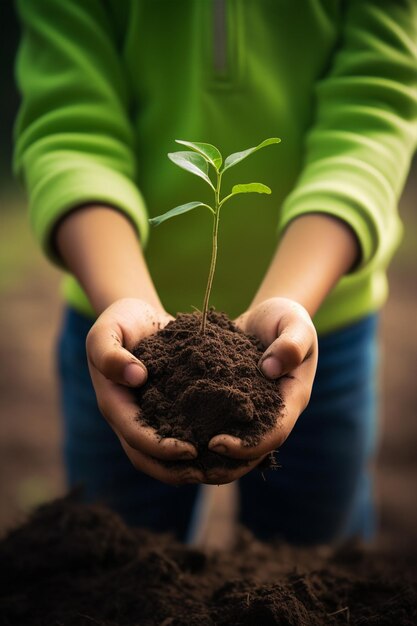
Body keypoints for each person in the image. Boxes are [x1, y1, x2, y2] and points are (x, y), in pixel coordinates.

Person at [14, 1, 417, 544]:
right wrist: (126, 303)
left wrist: (290, 306)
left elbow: (373, 114)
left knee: (315, 564)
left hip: (320, 333)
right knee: (116, 558)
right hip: (118, 343)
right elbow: (70, 128)